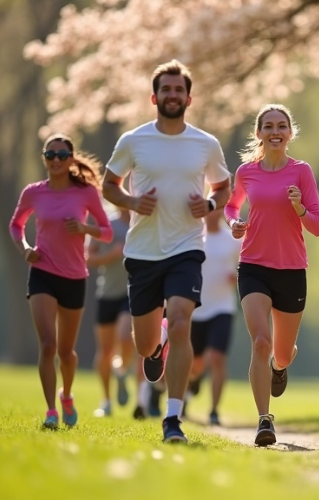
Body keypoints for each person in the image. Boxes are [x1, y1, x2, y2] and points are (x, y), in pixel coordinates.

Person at [102, 59, 231, 443]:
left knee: (179, 321)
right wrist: (131, 200)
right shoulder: (133, 141)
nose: (172, 95)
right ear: (154, 96)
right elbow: (109, 185)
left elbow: (224, 187)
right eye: (166, 89)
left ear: (189, 98)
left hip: (186, 248)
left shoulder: (205, 144)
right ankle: (153, 347)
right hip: (142, 251)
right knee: (145, 345)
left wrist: (209, 206)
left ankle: (173, 418)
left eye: (179, 90)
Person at [225, 104, 319, 447]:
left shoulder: (302, 172)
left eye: (281, 126)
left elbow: (317, 225)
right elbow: (231, 205)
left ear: (290, 133)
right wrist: (234, 222)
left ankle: (281, 367)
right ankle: (264, 420)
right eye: (268, 126)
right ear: (259, 133)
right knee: (260, 341)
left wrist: (299, 207)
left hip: (292, 269)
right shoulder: (246, 172)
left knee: (280, 353)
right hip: (253, 265)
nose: (275, 131)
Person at [9, 133, 114, 429]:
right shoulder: (33, 192)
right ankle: (51, 412)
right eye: (50, 155)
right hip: (42, 272)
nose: (55, 160)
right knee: (48, 345)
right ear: (44, 158)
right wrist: (25, 248)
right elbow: (16, 225)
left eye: (61, 155)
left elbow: (106, 232)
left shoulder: (85, 193)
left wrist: (84, 228)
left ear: (70, 160)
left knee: (67, 352)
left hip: (74, 277)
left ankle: (66, 395)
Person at [187, 206, 242, 426]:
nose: (211, 214)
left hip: (223, 307)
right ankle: (192, 382)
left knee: (217, 358)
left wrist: (235, 276)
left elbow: (244, 266)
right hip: (196, 308)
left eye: (216, 209)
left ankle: (214, 410)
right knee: (196, 363)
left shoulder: (232, 240)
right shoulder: (194, 236)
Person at [87, 207, 136, 418]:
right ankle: (106, 401)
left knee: (126, 337)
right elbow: (89, 258)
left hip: (132, 291)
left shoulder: (142, 222)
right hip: (107, 293)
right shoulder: (105, 223)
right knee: (105, 351)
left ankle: (122, 370)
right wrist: (112, 254)